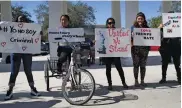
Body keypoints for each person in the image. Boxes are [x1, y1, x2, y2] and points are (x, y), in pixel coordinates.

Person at [5, 15, 40, 100]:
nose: (22, 21)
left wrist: (39, 33)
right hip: (15, 52)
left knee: (28, 70)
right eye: (20, 19)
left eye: (23, 19)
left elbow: (35, 36)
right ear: (17, 20)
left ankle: (32, 89)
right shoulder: (12, 29)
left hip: (27, 52)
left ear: (26, 21)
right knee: (14, 71)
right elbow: (5, 34)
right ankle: (10, 90)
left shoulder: (30, 30)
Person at [103, 17, 128, 90]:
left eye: (112, 23)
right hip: (107, 54)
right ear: (107, 24)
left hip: (116, 53)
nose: (111, 24)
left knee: (119, 68)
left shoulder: (118, 31)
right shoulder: (103, 32)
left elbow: (122, 40)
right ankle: (110, 84)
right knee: (108, 69)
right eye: (109, 23)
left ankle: (124, 82)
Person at [158, 11, 181, 84]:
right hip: (165, 47)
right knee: (164, 64)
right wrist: (159, 28)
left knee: (177, 63)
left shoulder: (179, 25)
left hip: (176, 46)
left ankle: (179, 78)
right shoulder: (163, 26)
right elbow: (156, 35)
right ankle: (163, 78)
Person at [131, 12, 150, 87]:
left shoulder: (147, 28)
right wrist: (131, 37)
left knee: (143, 66)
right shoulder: (133, 27)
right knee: (136, 65)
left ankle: (142, 80)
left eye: (141, 18)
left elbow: (152, 37)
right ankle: (136, 81)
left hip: (144, 50)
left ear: (144, 19)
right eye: (139, 18)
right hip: (135, 50)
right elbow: (128, 38)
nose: (140, 20)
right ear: (136, 19)